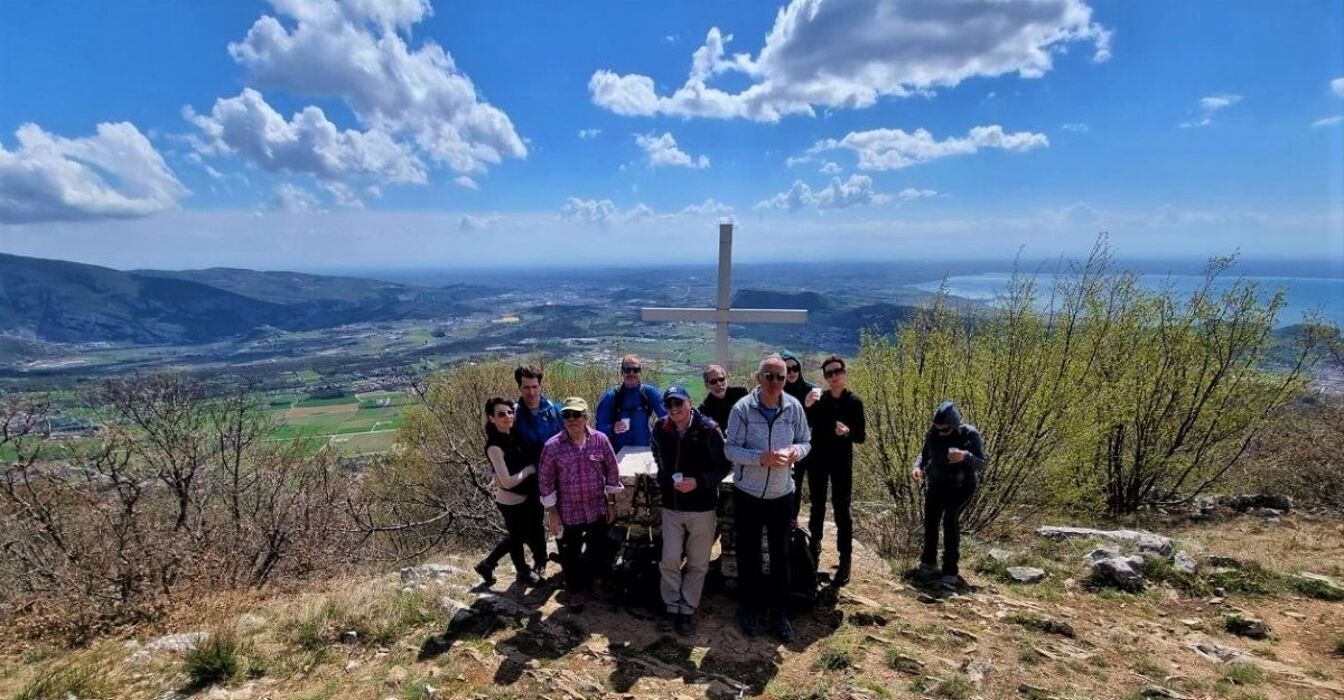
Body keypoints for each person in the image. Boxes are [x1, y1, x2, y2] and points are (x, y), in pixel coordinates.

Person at [724, 354, 812, 642]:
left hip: (781, 494)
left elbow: (806, 441)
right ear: (758, 378)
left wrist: (795, 453)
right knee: (748, 554)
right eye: (770, 376)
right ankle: (749, 609)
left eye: (781, 377)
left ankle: (780, 613)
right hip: (748, 493)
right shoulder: (742, 409)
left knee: (781, 555)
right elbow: (730, 450)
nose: (775, 382)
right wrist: (759, 458)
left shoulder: (794, 407)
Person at [651, 385, 732, 636]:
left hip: (702, 507)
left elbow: (724, 465)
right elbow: (657, 454)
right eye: (670, 405)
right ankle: (671, 606)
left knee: (698, 562)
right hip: (672, 505)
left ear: (690, 402)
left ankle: (687, 609)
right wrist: (666, 478)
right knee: (670, 559)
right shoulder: (661, 428)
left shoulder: (709, 429)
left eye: (679, 403)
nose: (674, 409)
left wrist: (699, 482)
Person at [539, 397, 623, 612]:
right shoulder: (553, 446)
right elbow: (545, 481)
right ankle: (575, 591)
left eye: (576, 415)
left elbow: (612, 471)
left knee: (600, 549)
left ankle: (601, 582)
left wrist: (611, 502)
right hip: (568, 511)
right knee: (569, 553)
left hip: (597, 507)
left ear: (586, 417)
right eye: (567, 415)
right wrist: (552, 513)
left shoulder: (600, 440)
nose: (572, 419)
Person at [911, 401, 987, 590]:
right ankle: (928, 565)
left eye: (944, 429)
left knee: (950, 521)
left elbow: (981, 463)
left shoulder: (970, 434)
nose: (940, 432)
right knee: (931, 521)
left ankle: (950, 572)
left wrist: (965, 456)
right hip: (937, 484)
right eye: (937, 428)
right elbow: (924, 454)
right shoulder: (933, 433)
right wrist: (917, 468)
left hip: (962, 486)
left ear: (954, 425)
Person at [805, 355, 866, 585]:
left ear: (844, 372)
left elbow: (861, 436)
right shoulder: (821, 400)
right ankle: (814, 549)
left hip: (841, 463)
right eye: (829, 373)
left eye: (837, 371)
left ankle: (845, 559)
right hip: (818, 460)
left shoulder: (854, 402)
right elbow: (807, 423)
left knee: (842, 510)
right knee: (817, 506)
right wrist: (808, 405)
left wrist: (848, 431)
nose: (833, 376)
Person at [475, 397, 546, 587]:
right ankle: (522, 571)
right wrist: (529, 471)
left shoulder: (515, 435)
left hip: (527, 495)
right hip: (510, 500)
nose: (507, 416)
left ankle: (487, 564)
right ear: (491, 418)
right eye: (501, 414)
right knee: (517, 537)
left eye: (509, 412)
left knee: (520, 535)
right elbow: (506, 482)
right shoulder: (495, 447)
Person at [512, 364, 563, 574]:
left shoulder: (555, 410)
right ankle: (540, 560)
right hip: (531, 475)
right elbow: (506, 446)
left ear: (541, 385)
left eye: (534, 386)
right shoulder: (513, 414)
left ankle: (565, 555)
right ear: (519, 388)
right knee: (533, 521)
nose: (531, 392)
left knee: (562, 515)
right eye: (526, 387)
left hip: (556, 474)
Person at [595, 354, 667, 453]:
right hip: (619, 453)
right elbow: (599, 428)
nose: (631, 373)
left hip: (645, 450)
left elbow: (667, 416)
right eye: (627, 370)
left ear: (640, 372)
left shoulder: (649, 393)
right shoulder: (611, 396)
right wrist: (612, 428)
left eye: (635, 370)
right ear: (622, 372)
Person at [780, 349, 820, 519]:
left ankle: (815, 533)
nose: (791, 373)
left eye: (795, 368)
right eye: (787, 369)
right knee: (792, 487)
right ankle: (792, 521)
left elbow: (821, 420)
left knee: (816, 492)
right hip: (788, 448)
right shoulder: (778, 393)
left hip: (812, 448)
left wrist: (812, 405)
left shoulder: (812, 390)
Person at [697, 364, 748, 429]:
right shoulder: (705, 409)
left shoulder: (741, 393)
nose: (718, 384)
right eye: (713, 382)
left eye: (721, 379)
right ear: (706, 385)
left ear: (726, 379)